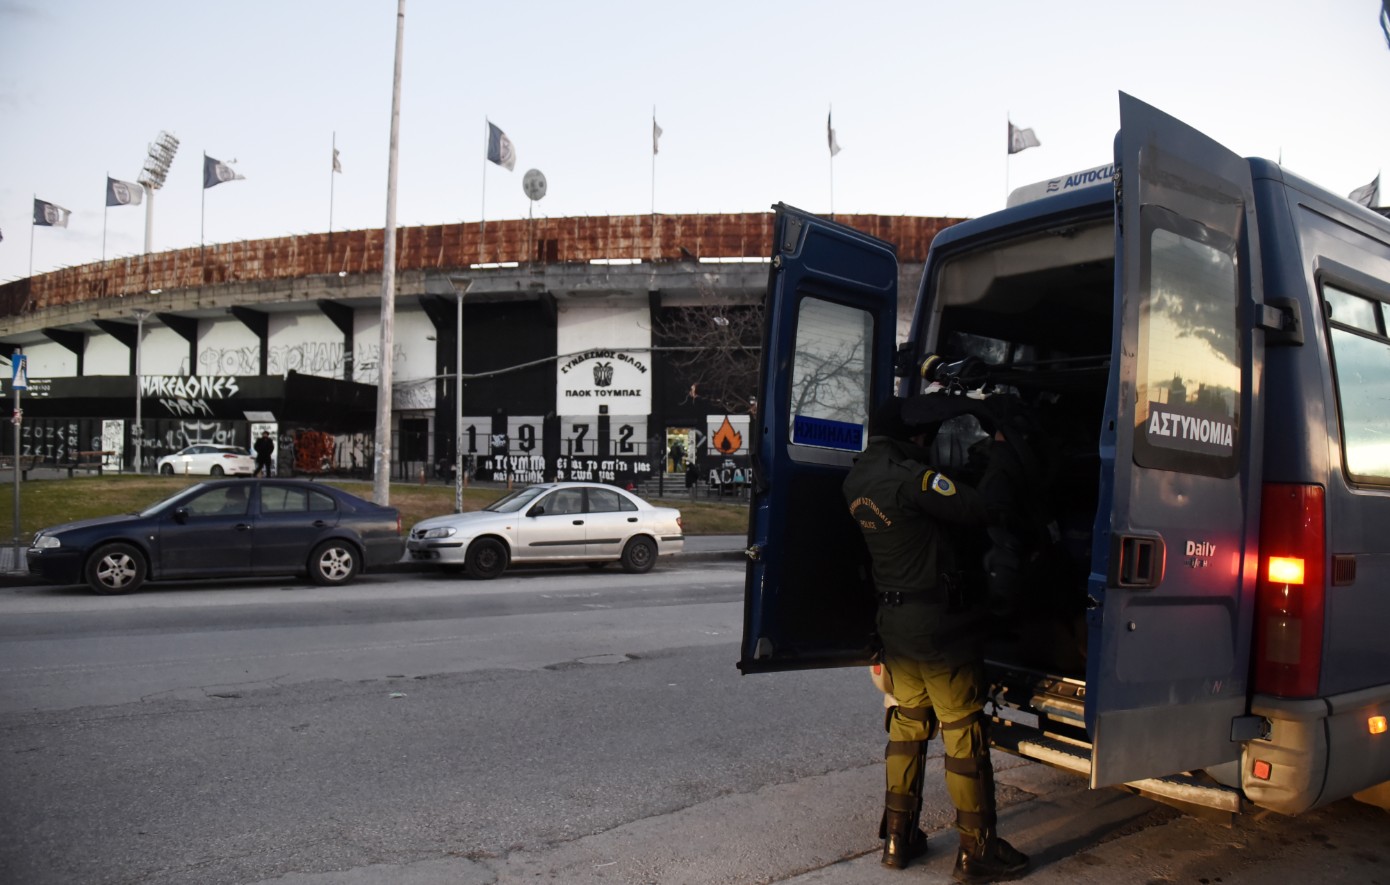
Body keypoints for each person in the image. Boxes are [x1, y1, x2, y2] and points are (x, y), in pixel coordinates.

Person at [842, 395, 1029, 882]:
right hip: (940, 629)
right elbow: (981, 508)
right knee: (963, 731)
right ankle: (978, 851)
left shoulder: (856, 479)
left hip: (895, 626)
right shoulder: (914, 480)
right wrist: (1004, 449)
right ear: (914, 438)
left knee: (907, 726)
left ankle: (897, 839)